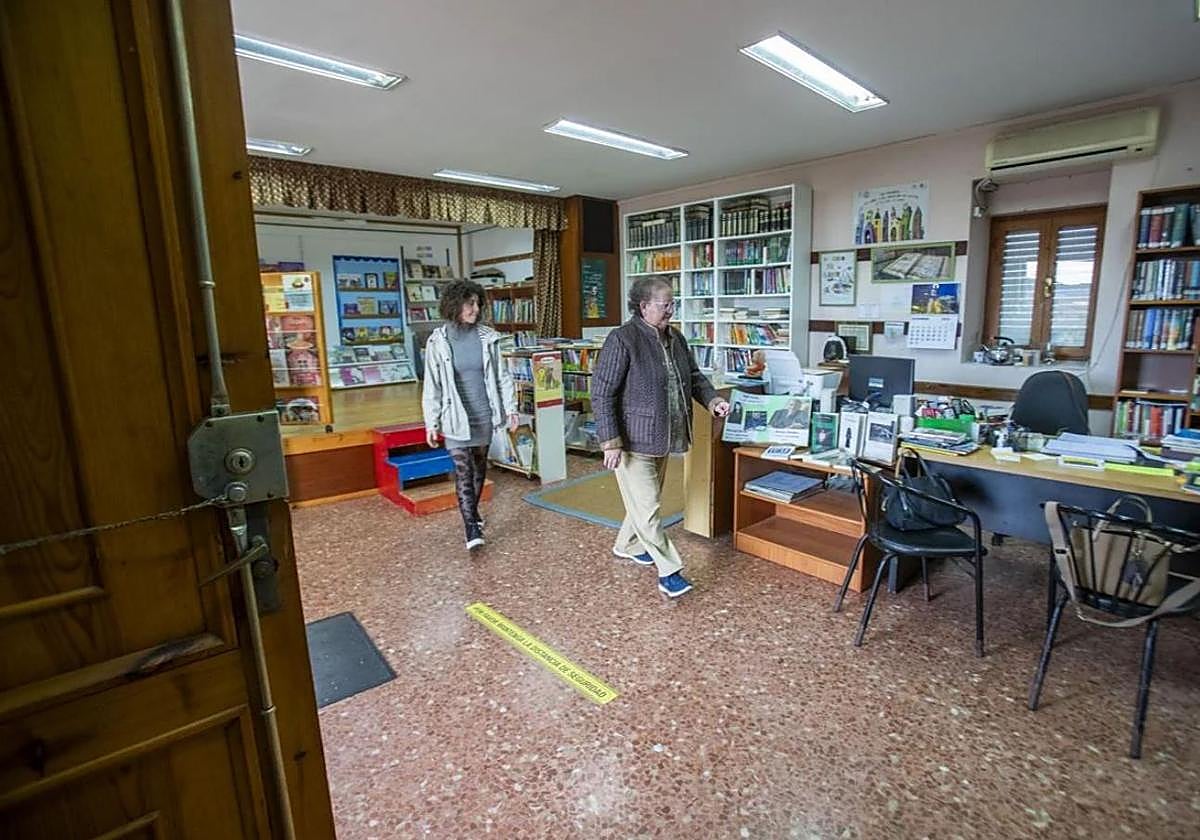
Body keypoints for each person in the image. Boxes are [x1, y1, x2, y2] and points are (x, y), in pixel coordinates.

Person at [591, 278, 730, 599]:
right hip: (631, 442)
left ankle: (626, 544)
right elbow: (601, 393)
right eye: (664, 305)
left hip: (665, 436)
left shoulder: (676, 338)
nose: (671, 310)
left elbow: (695, 378)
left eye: (672, 303)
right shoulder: (622, 339)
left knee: (644, 503)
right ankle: (669, 571)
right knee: (650, 508)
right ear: (643, 306)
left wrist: (712, 401)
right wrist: (610, 441)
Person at [421, 280, 518, 551]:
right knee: (463, 471)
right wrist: (432, 422)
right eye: (469, 303)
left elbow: (502, 377)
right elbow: (432, 385)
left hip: (483, 414)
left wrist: (510, 409)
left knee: (478, 469)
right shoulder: (437, 340)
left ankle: (472, 512)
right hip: (454, 417)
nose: (475, 308)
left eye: (477, 303)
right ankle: (471, 527)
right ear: (454, 305)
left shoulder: (488, 337)